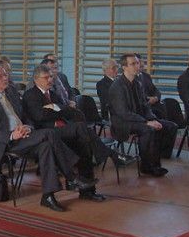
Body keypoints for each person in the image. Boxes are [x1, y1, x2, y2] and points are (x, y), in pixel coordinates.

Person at [0, 65, 94, 211]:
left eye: (6, 75)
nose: (6, 78)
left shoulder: (11, 94)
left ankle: (48, 196)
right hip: (6, 143)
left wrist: (28, 127)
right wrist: (12, 135)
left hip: (25, 136)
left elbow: (26, 117)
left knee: (46, 147)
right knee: (49, 133)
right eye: (2, 76)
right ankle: (71, 177)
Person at [23, 65, 132, 201]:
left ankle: (88, 192)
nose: (50, 80)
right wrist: (58, 109)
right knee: (81, 128)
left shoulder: (53, 94)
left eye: (51, 77)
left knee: (84, 145)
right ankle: (111, 154)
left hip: (64, 130)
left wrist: (55, 107)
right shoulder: (30, 95)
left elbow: (69, 111)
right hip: (47, 133)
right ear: (36, 79)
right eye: (46, 77)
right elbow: (39, 116)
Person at [108, 54, 177, 177]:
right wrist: (146, 122)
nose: (137, 66)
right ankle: (147, 166)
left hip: (138, 119)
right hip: (123, 122)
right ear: (124, 67)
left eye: (137, 63)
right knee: (148, 129)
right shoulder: (117, 86)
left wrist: (153, 119)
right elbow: (123, 113)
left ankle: (155, 161)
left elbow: (145, 106)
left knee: (169, 126)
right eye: (132, 64)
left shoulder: (137, 84)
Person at [135, 53, 167, 119]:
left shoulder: (146, 76)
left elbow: (155, 90)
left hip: (153, 104)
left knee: (164, 106)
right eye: (139, 62)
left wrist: (156, 97)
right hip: (143, 106)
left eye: (142, 61)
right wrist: (148, 98)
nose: (142, 64)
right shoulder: (131, 78)